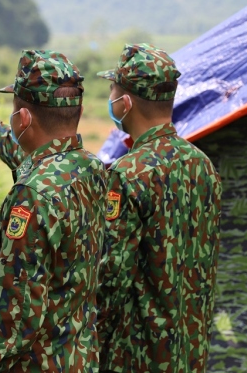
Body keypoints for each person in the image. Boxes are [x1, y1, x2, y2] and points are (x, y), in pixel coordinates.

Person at [0, 50, 106, 372]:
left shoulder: (31, 196)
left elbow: (17, 310)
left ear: (22, 119)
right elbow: (29, 158)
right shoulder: (89, 168)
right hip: (80, 359)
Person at [96, 44, 222, 373]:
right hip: (191, 353)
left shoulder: (128, 175)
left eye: (113, 89)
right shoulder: (202, 165)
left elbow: (109, 278)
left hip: (137, 359)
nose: (110, 98)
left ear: (125, 103)